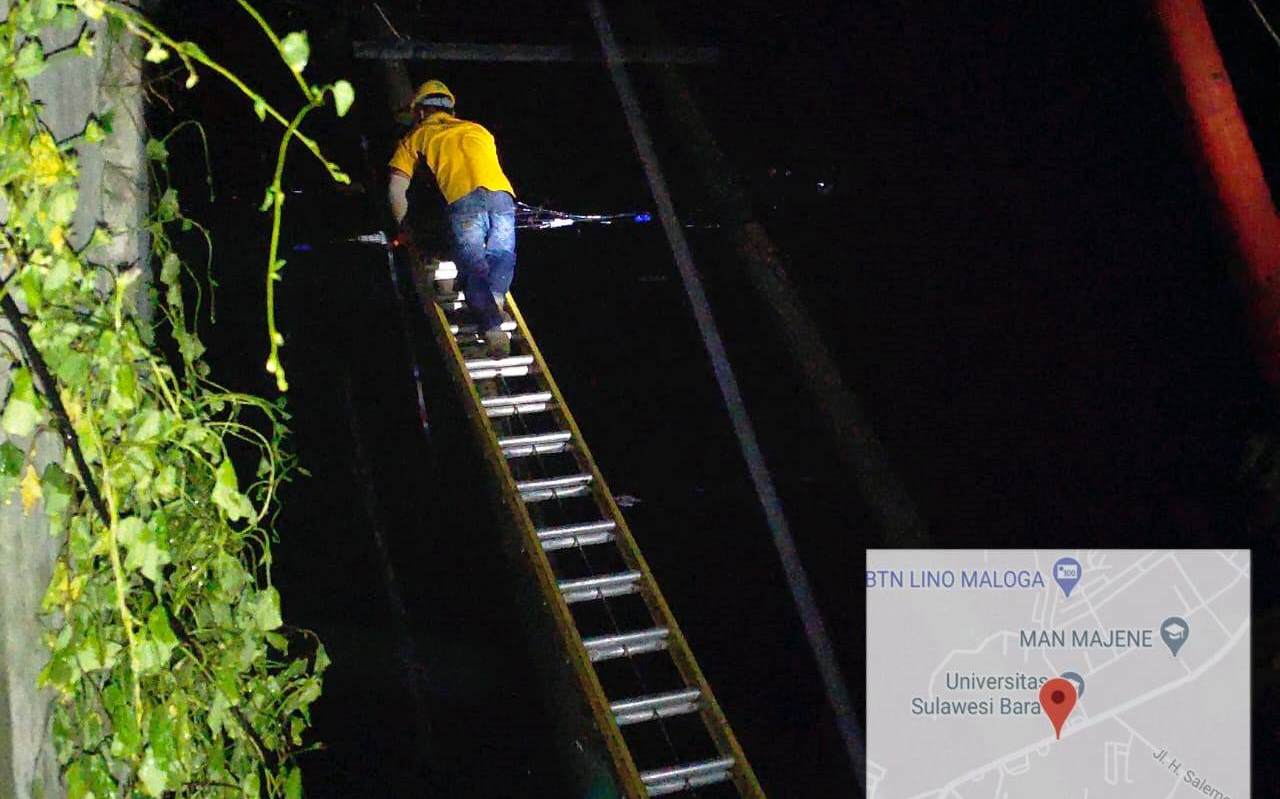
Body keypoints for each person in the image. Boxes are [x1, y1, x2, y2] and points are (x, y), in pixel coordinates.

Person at [388, 79, 516, 357]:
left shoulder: (416, 136)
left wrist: (404, 227)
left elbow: (396, 188)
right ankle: (494, 303)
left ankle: (492, 327)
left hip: (462, 199)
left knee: (472, 266)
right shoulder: (478, 130)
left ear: (420, 112)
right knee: (502, 254)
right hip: (502, 196)